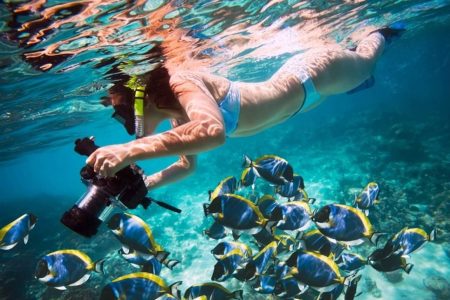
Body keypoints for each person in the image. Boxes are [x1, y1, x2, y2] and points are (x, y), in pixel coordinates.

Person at [86, 25, 404, 190]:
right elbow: (187, 165)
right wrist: (145, 183)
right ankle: (356, 81)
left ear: (140, 95)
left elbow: (213, 132)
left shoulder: (181, 81)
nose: (124, 121)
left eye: (121, 111)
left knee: (367, 61)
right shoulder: (178, 121)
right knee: (353, 81)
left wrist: (131, 151)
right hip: (304, 103)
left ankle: (382, 33)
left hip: (314, 76)